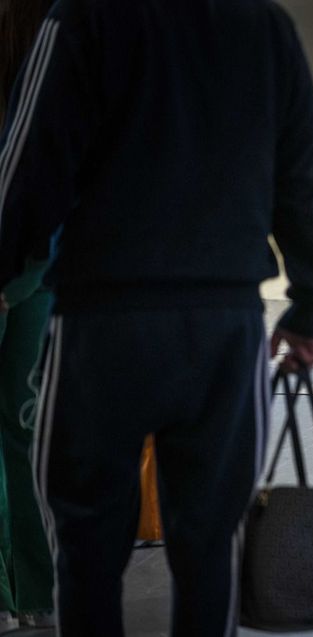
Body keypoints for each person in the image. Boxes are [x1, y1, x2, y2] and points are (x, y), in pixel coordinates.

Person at [0, 1, 313, 635]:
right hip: (223, 323)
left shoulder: (82, 18)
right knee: (210, 543)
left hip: (100, 324)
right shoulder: (263, 24)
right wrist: (311, 301)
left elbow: (31, 161)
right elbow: (300, 170)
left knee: (86, 547)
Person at [0, 0, 56, 631]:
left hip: (21, 263)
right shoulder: (60, 47)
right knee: (22, 428)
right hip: (41, 267)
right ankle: (36, 594)